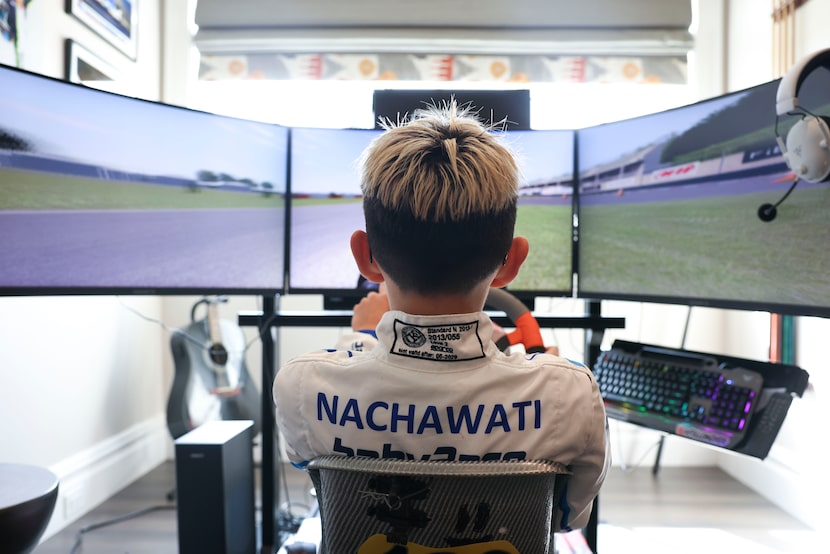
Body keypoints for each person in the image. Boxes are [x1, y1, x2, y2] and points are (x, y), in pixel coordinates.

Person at [273, 101, 609, 533]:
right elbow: (565, 520)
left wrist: (360, 335)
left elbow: (322, 486)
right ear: (512, 263)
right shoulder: (570, 393)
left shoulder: (301, 385)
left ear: (364, 257)